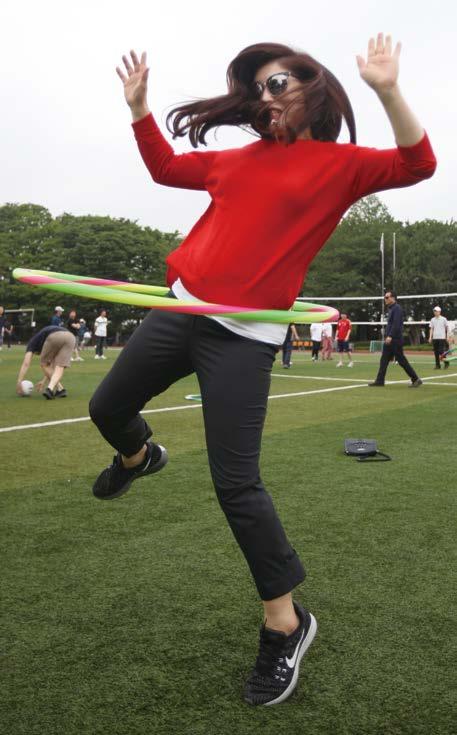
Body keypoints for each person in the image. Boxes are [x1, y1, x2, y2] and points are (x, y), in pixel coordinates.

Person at [88, 36, 436, 706]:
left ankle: (285, 620)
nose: (264, 96)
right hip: (180, 309)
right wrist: (138, 108)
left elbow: (418, 163)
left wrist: (387, 89)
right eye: (257, 87)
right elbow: (163, 168)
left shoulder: (339, 166)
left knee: (236, 484)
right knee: (106, 408)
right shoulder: (237, 159)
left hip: (243, 334)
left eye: (276, 83)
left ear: (314, 90)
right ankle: (138, 456)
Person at [369, 291, 422, 387]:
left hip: (395, 339)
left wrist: (390, 336)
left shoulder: (397, 309)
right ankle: (380, 381)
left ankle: (416, 379)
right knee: (384, 360)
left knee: (401, 360)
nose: (385, 299)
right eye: (385, 297)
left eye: (387, 297)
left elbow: (396, 325)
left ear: (393, 298)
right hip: (390, 339)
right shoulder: (391, 309)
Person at [16, 325, 76, 399]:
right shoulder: (45, 340)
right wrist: (43, 381)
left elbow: (26, 363)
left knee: (44, 364)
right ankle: (59, 390)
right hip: (71, 337)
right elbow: (51, 367)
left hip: (55, 336)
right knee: (60, 366)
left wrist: (19, 382)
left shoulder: (32, 343)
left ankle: (57, 389)